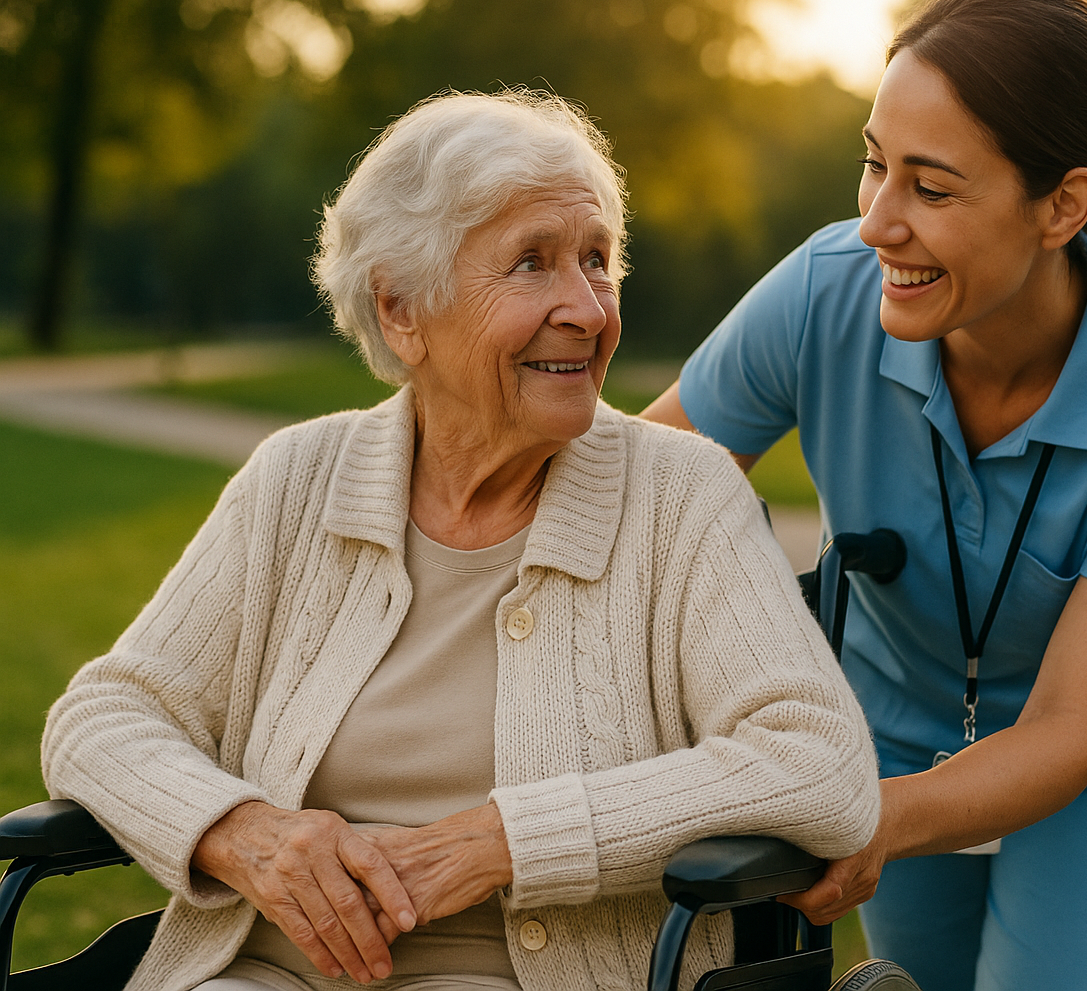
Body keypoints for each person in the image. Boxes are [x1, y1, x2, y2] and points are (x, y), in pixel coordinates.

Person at [41, 90, 880, 991]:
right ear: (401, 309)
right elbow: (104, 717)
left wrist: (509, 839)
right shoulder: (297, 479)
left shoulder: (682, 496)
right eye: (531, 264)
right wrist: (241, 833)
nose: (587, 310)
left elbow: (817, 759)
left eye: (597, 261)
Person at [642, 0, 1087, 991]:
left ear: (1063, 205)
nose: (879, 222)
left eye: (931, 189)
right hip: (890, 727)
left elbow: (1067, 727)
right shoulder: (823, 290)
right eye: (873, 166)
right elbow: (639, 496)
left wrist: (859, 816)